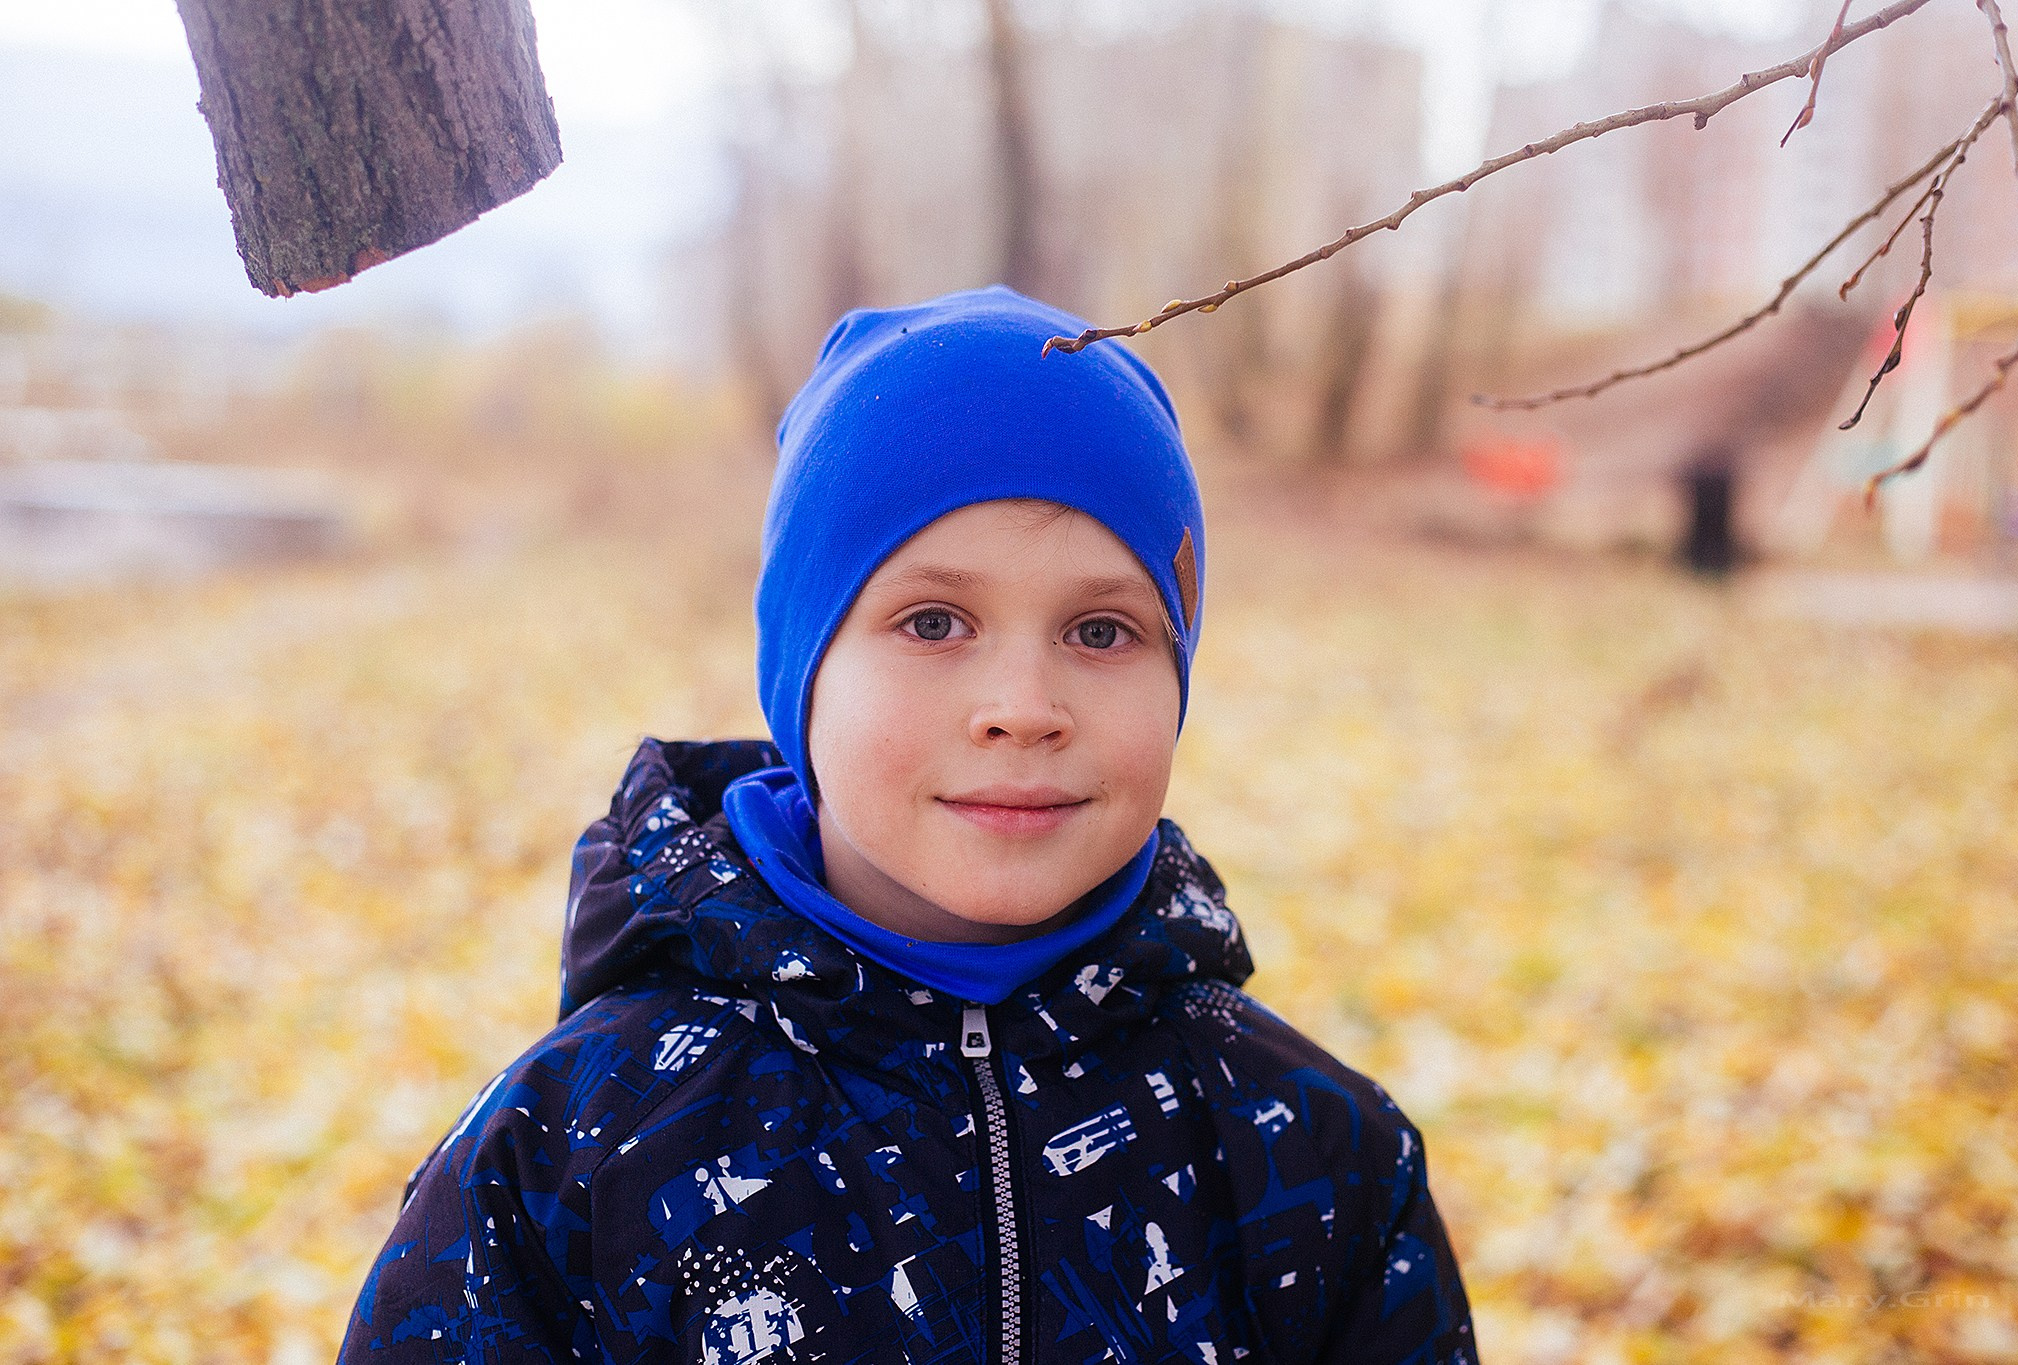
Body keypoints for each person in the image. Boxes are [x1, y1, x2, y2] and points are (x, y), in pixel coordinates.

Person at [337, 285, 1478, 1363]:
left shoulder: (1313, 1153)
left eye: (1100, 631)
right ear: (803, 675)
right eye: (933, 622)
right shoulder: (567, 1151)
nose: (1022, 711)